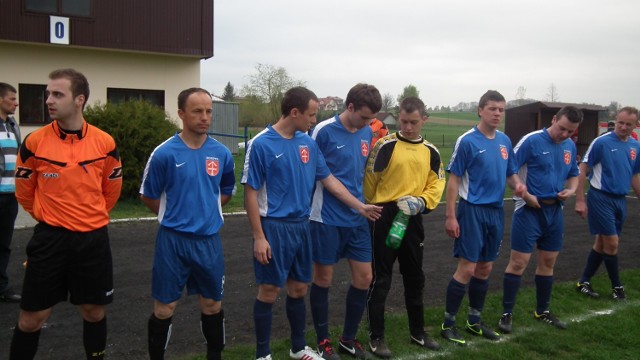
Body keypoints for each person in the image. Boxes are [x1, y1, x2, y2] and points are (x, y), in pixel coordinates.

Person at [241, 86, 381, 360]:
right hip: (275, 227)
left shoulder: (307, 143)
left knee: (299, 288)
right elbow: (250, 192)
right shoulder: (261, 143)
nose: (314, 120)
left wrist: (359, 206)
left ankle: (297, 348)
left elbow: (328, 179)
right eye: (311, 114)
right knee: (269, 290)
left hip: (302, 226)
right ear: (294, 112)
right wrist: (259, 236)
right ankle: (263, 354)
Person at [9, 69, 122, 360]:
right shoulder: (35, 142)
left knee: (94, 312)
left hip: (92, 240)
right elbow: (24, 191)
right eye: (48, 94)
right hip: (50, 240)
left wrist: (87, 216)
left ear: (79, 100)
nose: (49, 100)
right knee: (31, 319)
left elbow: (111, 191)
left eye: (57, 94)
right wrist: (49, 216)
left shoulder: (105, 143)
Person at [140, 88, 234, 360]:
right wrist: (176, 215)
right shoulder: (164, 153)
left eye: (208, 112)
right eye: (197, 111)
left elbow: (226, 189)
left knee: (212, 305)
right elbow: (148, 195)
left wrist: (205, 210)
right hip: (173, 243)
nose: (205, 117)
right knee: (164, 308)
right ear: (181, 114)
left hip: (208, 242)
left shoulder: (221, 152)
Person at [441, 90, 526, 345]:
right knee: (466, 268)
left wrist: (518, 186)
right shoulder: (467, 141)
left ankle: (474, 321)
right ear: (480, 110)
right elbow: (454, 179)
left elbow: (511, 174)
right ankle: (448, 324)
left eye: (501, 109)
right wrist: (450, 216)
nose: (497, 113)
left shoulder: (504, 141)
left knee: (485, 268)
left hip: (496, 210)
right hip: (472, 211)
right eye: (492, 109)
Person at [364, 96, 446, 358]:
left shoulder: (431, 151)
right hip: (385, 216)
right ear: (399, 117)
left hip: (413, 217)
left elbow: (437, 184)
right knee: (381, 279)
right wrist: (377, 207)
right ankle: (376, 337)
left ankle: (418, 332)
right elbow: (370, 181)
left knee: (415, 277)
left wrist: (422, 201)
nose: (408, 127)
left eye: (414, 122)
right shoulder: (385, 145)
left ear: (424, 119)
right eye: (404, 121)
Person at [308, 83, 381, 360]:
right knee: (323, 279)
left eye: (372, 118)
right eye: (364, 116)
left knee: (365, 277)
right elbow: (325, 178)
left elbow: (361, 172)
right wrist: (359, 206)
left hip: (357, 218)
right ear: (349, 107)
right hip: (326, 218)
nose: (368, 123)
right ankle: (322, 341)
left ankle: (348, 339)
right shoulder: (323, 131)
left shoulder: (366, 131)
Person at [498, 106, 583, 334]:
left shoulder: (569, 145)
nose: (564, 134)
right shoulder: (531, 140)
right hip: (528, 211)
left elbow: (574, 173)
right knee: (518, 263)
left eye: (570, 131)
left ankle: (542, 311)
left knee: (548, 263)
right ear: (554, 119)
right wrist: (524, 193)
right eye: (562, 128)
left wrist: (572, 191)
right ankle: (506, 314)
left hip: (555, 212)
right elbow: (510, 170)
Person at [575, 107, 640, 301]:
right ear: (615, 121)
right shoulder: (601, 142)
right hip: (600, 198)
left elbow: (634, 174)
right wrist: (580, 199)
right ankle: (617, 287)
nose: (623, 127)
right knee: (612, 243)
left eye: (628, 124)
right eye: (620, 122)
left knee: (602, 243)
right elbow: (583, 168)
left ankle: (584, 281)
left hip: (620, 200)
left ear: (635, 126)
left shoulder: (635, 146)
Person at [0, 82, 22, 303]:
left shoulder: (13, 125)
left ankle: (2, 287)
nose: (16, 103)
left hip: (10, 194)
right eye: (12, 99)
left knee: (4, 243)